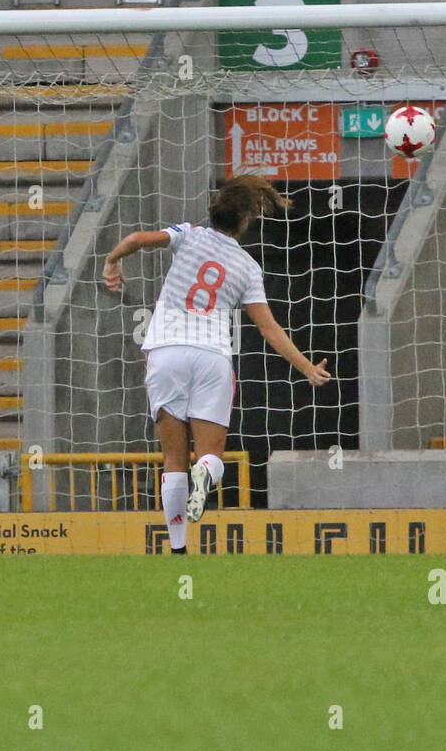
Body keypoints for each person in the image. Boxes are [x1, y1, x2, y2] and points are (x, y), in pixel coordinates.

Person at [102, 175, 331, 554]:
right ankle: (206, 471)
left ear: (214, 212)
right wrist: (307, 368)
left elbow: (135, 241)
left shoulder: (189, 235)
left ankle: (177, 548)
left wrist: (112, 262)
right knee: (210, 454)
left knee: (172, 458)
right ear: (245, 220)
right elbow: (269, 329)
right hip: (211, 356)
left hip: (165, 352)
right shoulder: (247, 267)